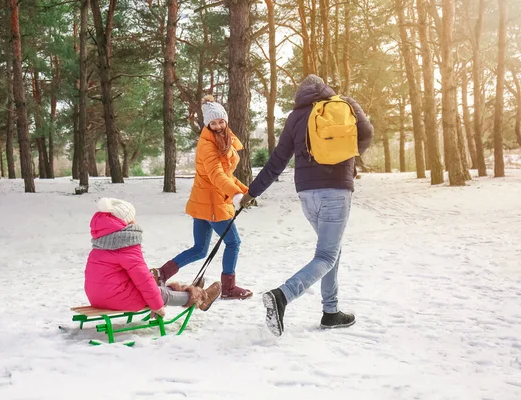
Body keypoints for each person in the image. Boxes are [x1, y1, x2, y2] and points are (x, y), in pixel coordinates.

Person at [240, 75, 374, 335]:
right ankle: (282, 296)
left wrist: (253, 192)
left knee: (330, 250)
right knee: (326, 254)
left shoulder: (295, 117)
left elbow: (277, 161)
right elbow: (367, 133)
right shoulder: (344, 104)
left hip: (306, 194)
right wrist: (350, 157)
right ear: (326, 89)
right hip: (336, 191)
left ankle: (331, 312)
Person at [152, 95, 253, 300]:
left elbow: (227, 173)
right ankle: (228, 288)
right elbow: (217, 175)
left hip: (204, 202)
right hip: (213, 202)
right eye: (213, 123)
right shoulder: (208, 145)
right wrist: (235, 193)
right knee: (233, 243)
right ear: (207, 124)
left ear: (226, 120)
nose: (217, 126)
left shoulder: (224, 140)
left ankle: (161, 274)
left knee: (199, 249)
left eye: (220, 121)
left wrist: (246, 190)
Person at [84, 197, 222, 317]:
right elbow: (142, 279)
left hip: (96, 296)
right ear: (126, 222)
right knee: (160, 294)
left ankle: (187, 290)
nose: (135, 220)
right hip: (115, 298)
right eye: (132, 217)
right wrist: (157, 306)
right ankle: (202, 298)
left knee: (155, 290)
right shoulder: (125, 244)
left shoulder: (101, 242)